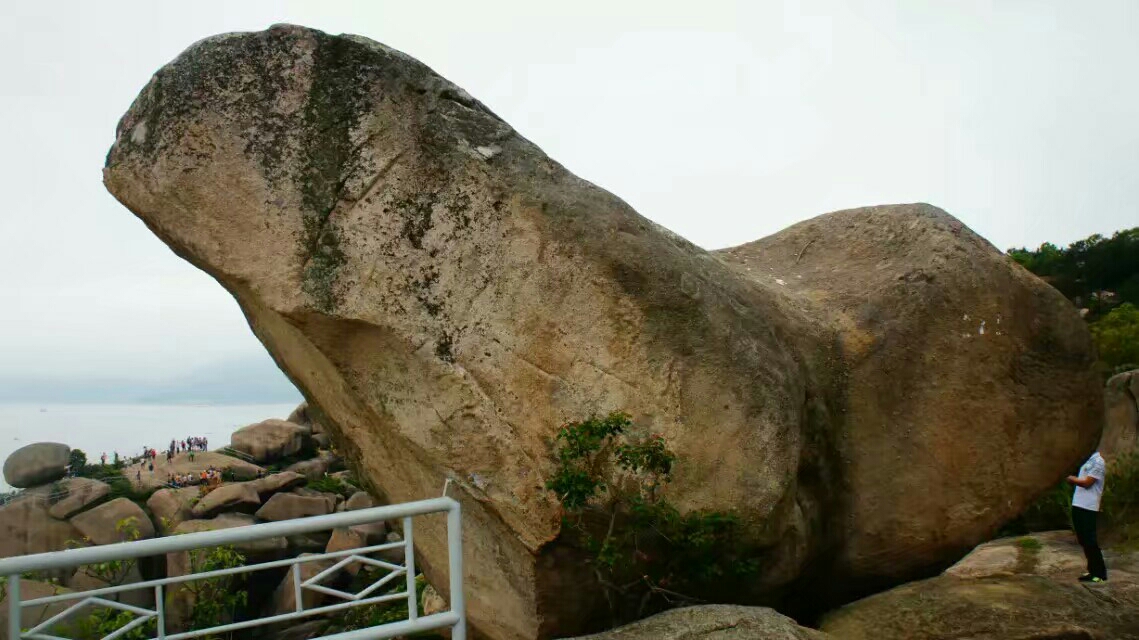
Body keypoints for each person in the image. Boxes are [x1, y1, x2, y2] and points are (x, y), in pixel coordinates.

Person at [1067, 450, 1108, 583]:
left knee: (1090, 539)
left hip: (1089, 506)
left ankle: (1100, 573)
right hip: (1078, 503)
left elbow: (1087, 483)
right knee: (1083, 539)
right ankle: (1092, 570)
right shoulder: (1086, 460)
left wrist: (1070, 478)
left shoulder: (1098, 461)